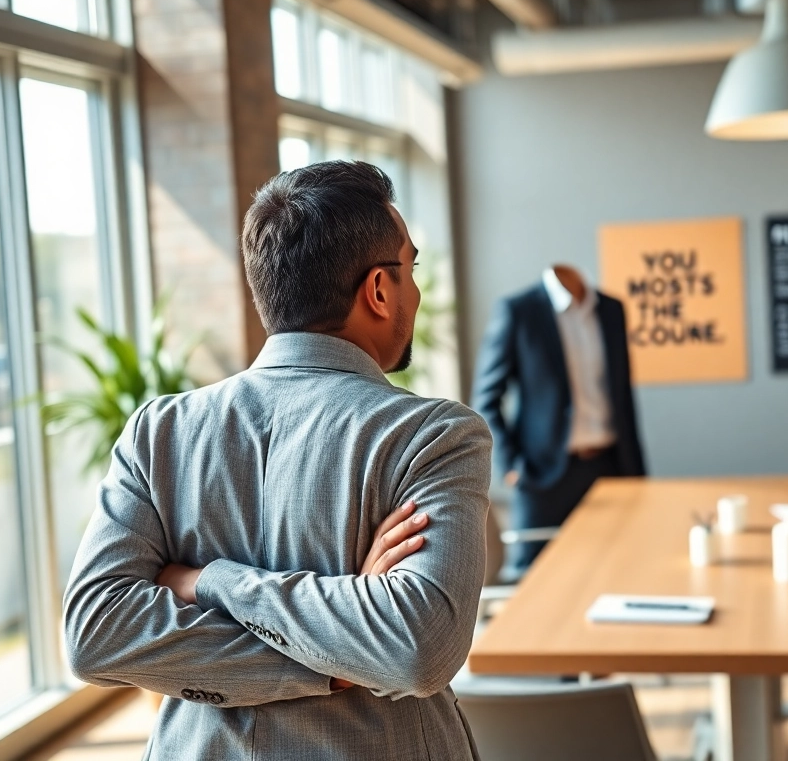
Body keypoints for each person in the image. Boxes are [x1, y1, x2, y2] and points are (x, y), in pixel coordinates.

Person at [63, 161, 492, 760]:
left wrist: (211, 580)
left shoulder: (160, 431)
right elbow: (96, 632)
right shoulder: (432, 435)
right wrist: (337, 662)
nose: (416, 292)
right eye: (411, 269)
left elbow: (415, 648)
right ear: (377, 289)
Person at [472, 264, 646, 570]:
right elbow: (486, 398)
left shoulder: (611, 310)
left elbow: (623, 396)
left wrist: (637, 468)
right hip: (543, 475)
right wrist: (511, 465)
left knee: (617, 566)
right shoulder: (519, 311)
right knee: (533, 576)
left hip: (612, 465)